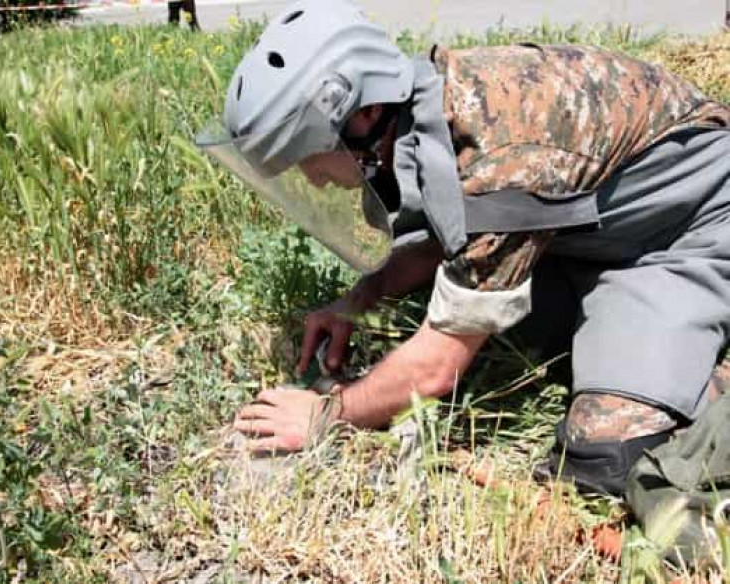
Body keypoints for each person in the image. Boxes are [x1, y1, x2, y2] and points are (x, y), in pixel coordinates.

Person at [198, 0, 730, 495]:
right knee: (505, 324)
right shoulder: (429, 106)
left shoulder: (503, 162)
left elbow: (437, 365)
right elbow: (450, 233)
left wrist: (329, 413)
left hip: (687, 231)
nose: (312, 180)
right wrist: (359, 300)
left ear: (362, 115)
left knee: (603, 454)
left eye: (306, 158)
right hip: (592, 234)